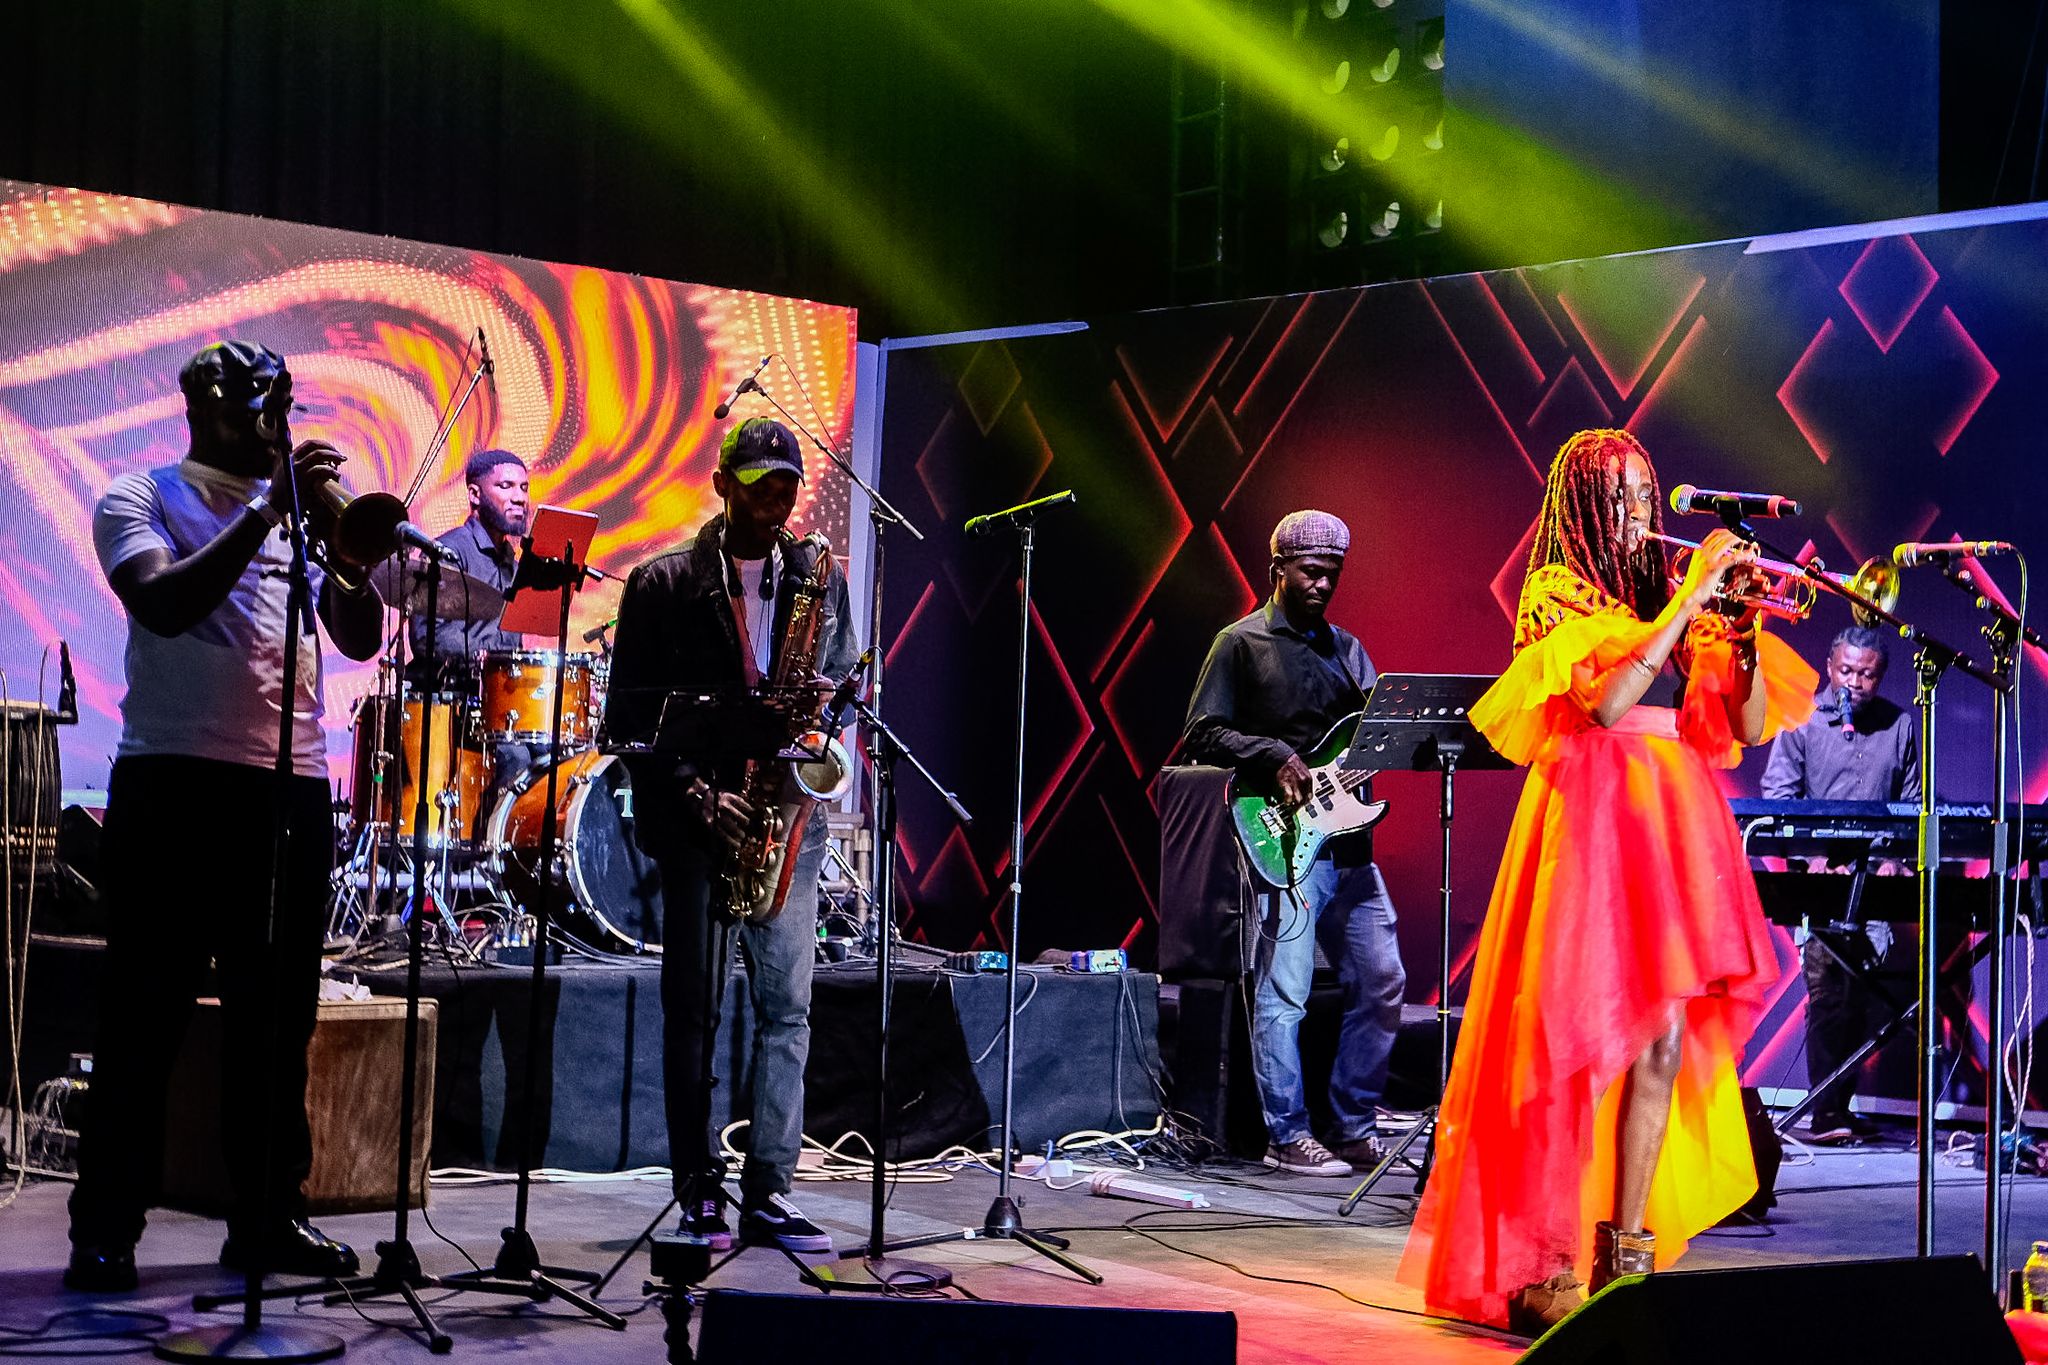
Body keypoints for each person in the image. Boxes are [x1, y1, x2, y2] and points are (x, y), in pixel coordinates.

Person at [1400, 429, 1815, 1334]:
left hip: (1670, 832)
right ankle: (1543, 1262)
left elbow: (1746, 724)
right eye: (1619, 497)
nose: (1637, 512)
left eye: (1643, 493)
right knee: (1578, 1047)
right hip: (1590, 828)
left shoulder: (1669, 597)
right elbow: (1606, 702)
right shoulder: (1557, 591)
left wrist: (1742, 627)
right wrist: (1694, 596)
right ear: (1585, 506)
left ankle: (1625, 1255)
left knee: (1661, 1041)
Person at [66, 341, 383, 1291]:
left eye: (281, 411)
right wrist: (264, 515)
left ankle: (267, 1217)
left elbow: (359, 636)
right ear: (204, 413)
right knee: (144, 1017)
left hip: (288, 789)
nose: (274, 430)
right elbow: (162, 601)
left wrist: (348, 558)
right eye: (256, 413)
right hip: (172, 783)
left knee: (277, 1023)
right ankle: (106, 1227)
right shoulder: (142, 496)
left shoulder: (297, 517)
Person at [603, 417, 856, 1254]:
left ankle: (771, 1188)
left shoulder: (817, 577)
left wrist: (825, 713)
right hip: (700, 821)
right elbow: (629, 722)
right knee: (695, 1014)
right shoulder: (664, 582)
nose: (775, 501)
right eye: (758, 486)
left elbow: (841, 685)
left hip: (786, 818)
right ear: (722, 485)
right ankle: (697, 1188)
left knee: (789, 1011)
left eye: (786, 486)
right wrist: (699, 795)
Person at [1181, 510, 1406, 1177]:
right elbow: (1201, 732)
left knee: (1384, 980)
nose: (1322, 584)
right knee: (1286, 993)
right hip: (1284, 839)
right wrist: (1273, 752)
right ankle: (1285, 1134)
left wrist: (1404, 742)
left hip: (1351, 845)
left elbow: (1374, 734)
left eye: (1332, 573)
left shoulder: (1349, 650)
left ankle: (1353, 1125)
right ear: (1277, 568)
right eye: (1310, 571)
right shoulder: (1240, 642)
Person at [1761, 626, 1919, 1145]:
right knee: (1828, 992)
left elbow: (1912, 804)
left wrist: (1895, 861)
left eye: (1866, 674)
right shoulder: (1801, 718)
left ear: (1881, 675)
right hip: (1822, 884)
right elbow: (1778, 795)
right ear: (1830, 668)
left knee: (1866, 996)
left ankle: (1839, 1108)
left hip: (1874, 881)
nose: (1854, 682)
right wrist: (1812, 858)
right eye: (1846, 671)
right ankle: (1825, 1114)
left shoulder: (1899, 725)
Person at [404, 449, 533, 802]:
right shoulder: (448, 552)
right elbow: (426, 638)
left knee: (557, 755)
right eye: (506, 486)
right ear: (475, 494)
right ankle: (490, 837)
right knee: (517, 759)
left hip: (498, 706)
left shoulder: (513, 564)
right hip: (453, 703)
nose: (519, 497)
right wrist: (488, 658)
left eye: (524, 487)